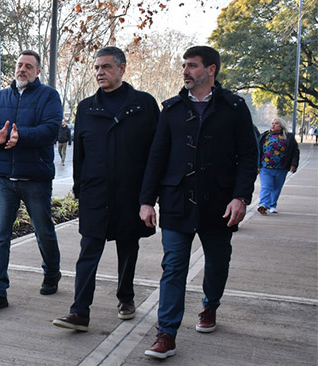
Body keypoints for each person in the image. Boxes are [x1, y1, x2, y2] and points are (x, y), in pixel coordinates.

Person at [139, 46, 257, 359]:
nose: (185, 71)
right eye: (184, 66)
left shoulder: (234, 107)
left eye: (192, 66)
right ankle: (166, 333)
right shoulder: (172, 109)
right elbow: (157, 157)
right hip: (177, 201)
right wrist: (147, 201)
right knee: (173, 267)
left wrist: (241, 197)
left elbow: (248, 155)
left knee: (217, 263)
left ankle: (210, 306)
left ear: (211, 70)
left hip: (219, 204)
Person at [52, 46, 159, 332]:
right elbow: (80, 154)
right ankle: (79, 312)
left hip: (130, 193)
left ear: (122, 69)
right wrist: (80, 187)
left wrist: (150, 195)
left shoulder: (144, 105)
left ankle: (126, 298)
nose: (100, 72)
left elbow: (155, 153)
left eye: (106, 67)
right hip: (95, 193)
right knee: (88, 250)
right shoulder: (87, 108)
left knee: (128, 246)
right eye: (97, 68)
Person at [0, 50, 63, 315]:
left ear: (38, 71)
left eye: (28, 66)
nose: (22, 69)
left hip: (35, 177)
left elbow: (51, 129)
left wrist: (19, 135)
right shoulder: (0, 97)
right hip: (4, 178)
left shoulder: (49, 96)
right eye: (19, 65)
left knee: (43, 230)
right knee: (0, 237)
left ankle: (52, 273)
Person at [256, 118, 299, 215]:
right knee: (266, 186)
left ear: (281, 126)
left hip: (281, 167)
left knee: (276, 187)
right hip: (265, 167)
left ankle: (272, 205)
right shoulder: (265, 136)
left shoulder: (288, 137)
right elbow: (258, 151)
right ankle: (263, 205)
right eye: (272, 123)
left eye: (276, 123)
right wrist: (257, 165)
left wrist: (294, 164)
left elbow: (295, 151)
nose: (273, 125)